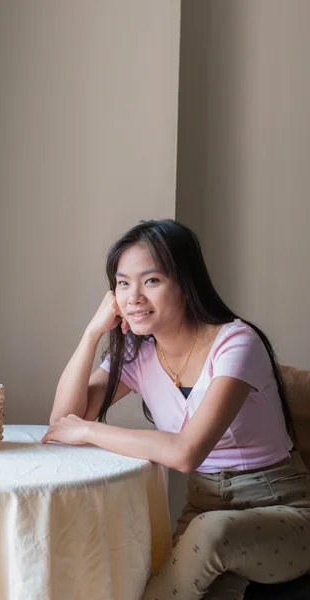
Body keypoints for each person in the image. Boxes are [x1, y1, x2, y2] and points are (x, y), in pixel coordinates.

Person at [42, 219, 310, 600]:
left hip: (284, 512)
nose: (133, 296)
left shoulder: (236, 343)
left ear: (185, 283)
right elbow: (64, 421)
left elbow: (186, 453)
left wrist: (88, 432)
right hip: (205, 510)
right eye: (122, 283)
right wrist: (92, 332)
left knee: (210, 535)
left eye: (151, 280)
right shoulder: (138, 352)